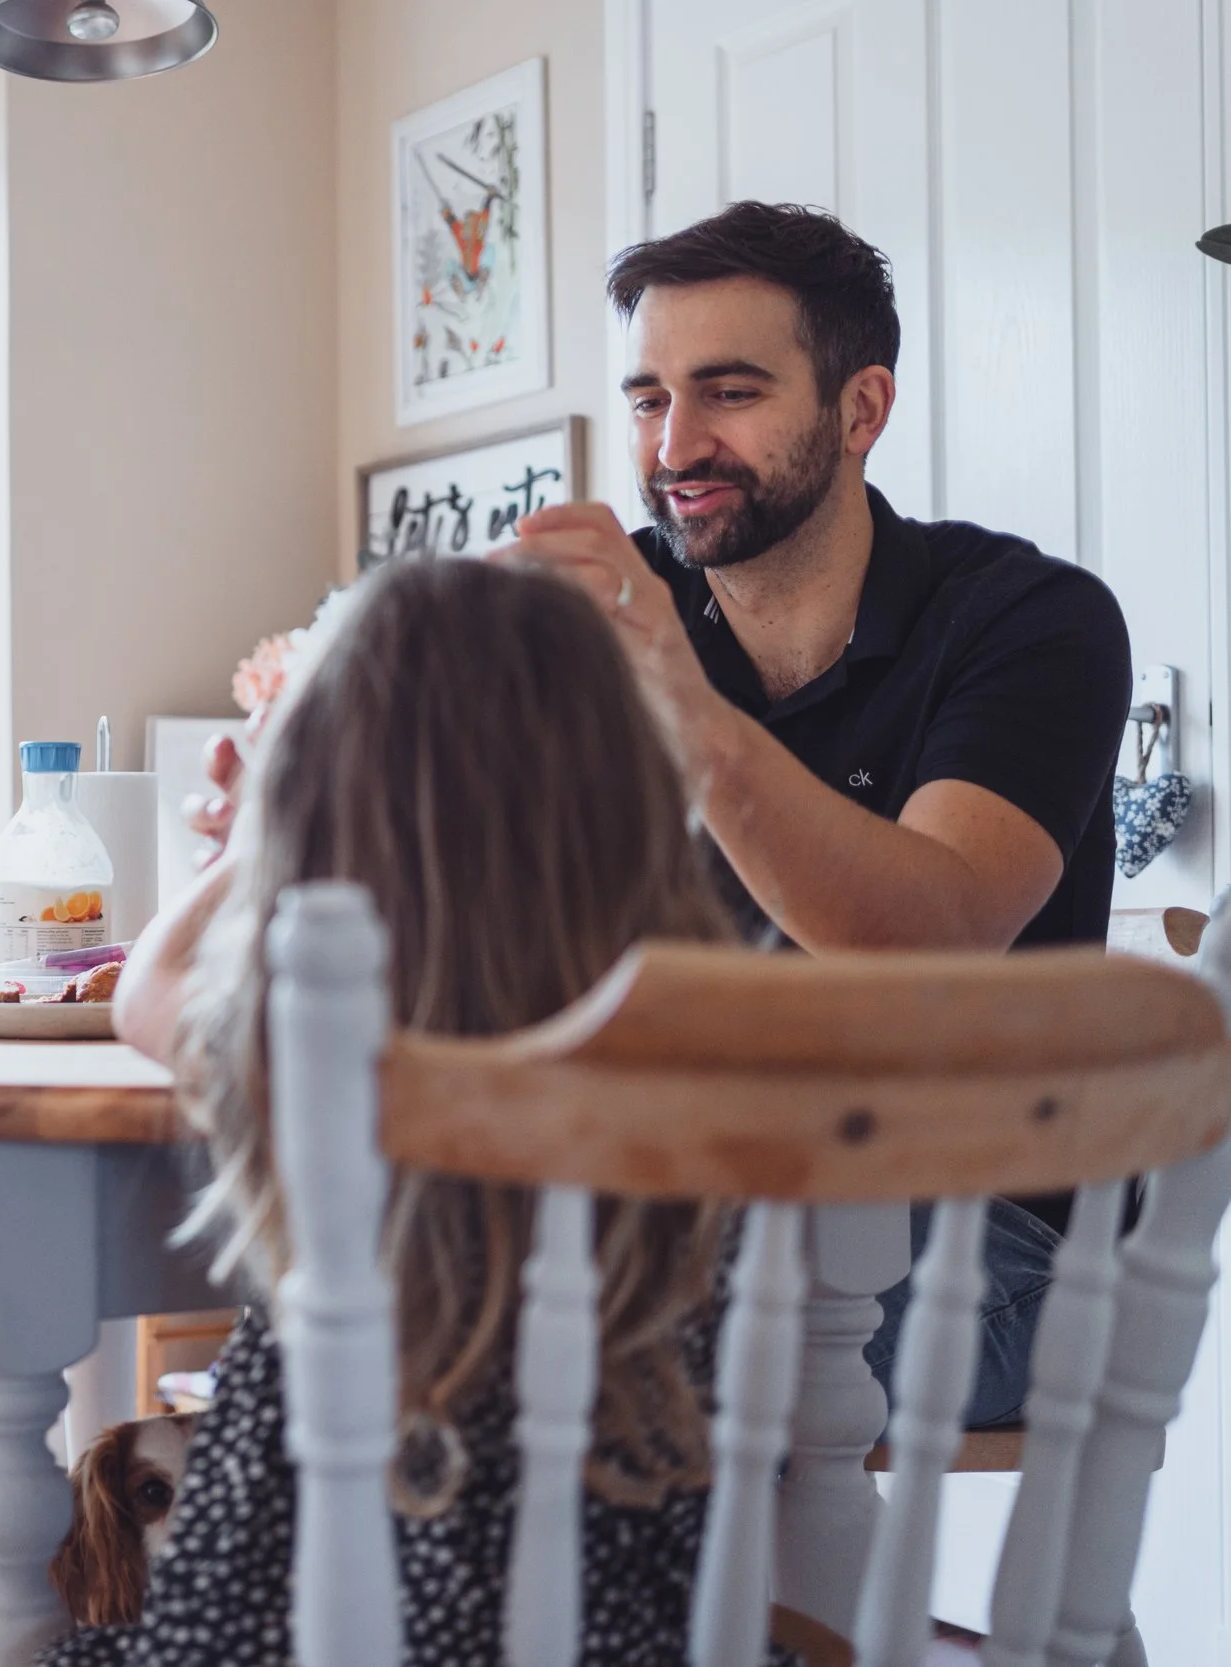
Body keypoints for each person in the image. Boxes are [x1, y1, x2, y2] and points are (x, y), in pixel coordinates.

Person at [189, 202, 1128, 1429]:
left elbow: (927, 943)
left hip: (977, 1247)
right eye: (646, 399)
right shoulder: (607, 619)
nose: (675, 442)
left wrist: (679, 704)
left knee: (485, 1335)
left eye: (728, 392)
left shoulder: (1028, 620)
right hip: (685, 1189)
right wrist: (294, 819)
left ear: (861, 410)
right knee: (370, 1276)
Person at [81, 556, 791, 1667]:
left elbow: (146, 986)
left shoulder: (323, 1074)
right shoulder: (714, 1079)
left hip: (306, 1642)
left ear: (315, 821)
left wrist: (264, 828)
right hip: (649, 1648)